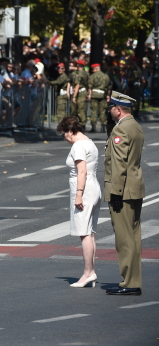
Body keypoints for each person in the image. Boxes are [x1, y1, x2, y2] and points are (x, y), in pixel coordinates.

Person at [104, 91, 145, 296]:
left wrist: (117, 193)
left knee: (124, 239)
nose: (109, 110)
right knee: (134, 237)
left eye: (111, 108)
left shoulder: (121, 130)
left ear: (118, 110)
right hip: (134, 188)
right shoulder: (134, 126)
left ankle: (129, 282)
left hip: (123, 190)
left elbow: (119, 163)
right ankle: (133, 280)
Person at [57, 116, 102, 288]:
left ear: (70, 131)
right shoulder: (90, 142)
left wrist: (78, 195)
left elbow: (81, 171)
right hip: (93, 187)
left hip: (84, 189)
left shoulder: (78, 145)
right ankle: (90, 272)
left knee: (84, 233)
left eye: (64, 134)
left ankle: (87, 273)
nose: (65, 138)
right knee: (90, 233)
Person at [87, 63, 111, 133]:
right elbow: (109, 87)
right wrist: (108, 96)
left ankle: (93, 127)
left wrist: (89, 95)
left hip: (94, 94)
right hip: (103, 94)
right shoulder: (106, 76)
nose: (93, 70)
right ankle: (103, 127)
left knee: (94, 111)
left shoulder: (92, 76)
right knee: (102, 111)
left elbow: (90, 87)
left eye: (93, 69)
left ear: (97, 68)